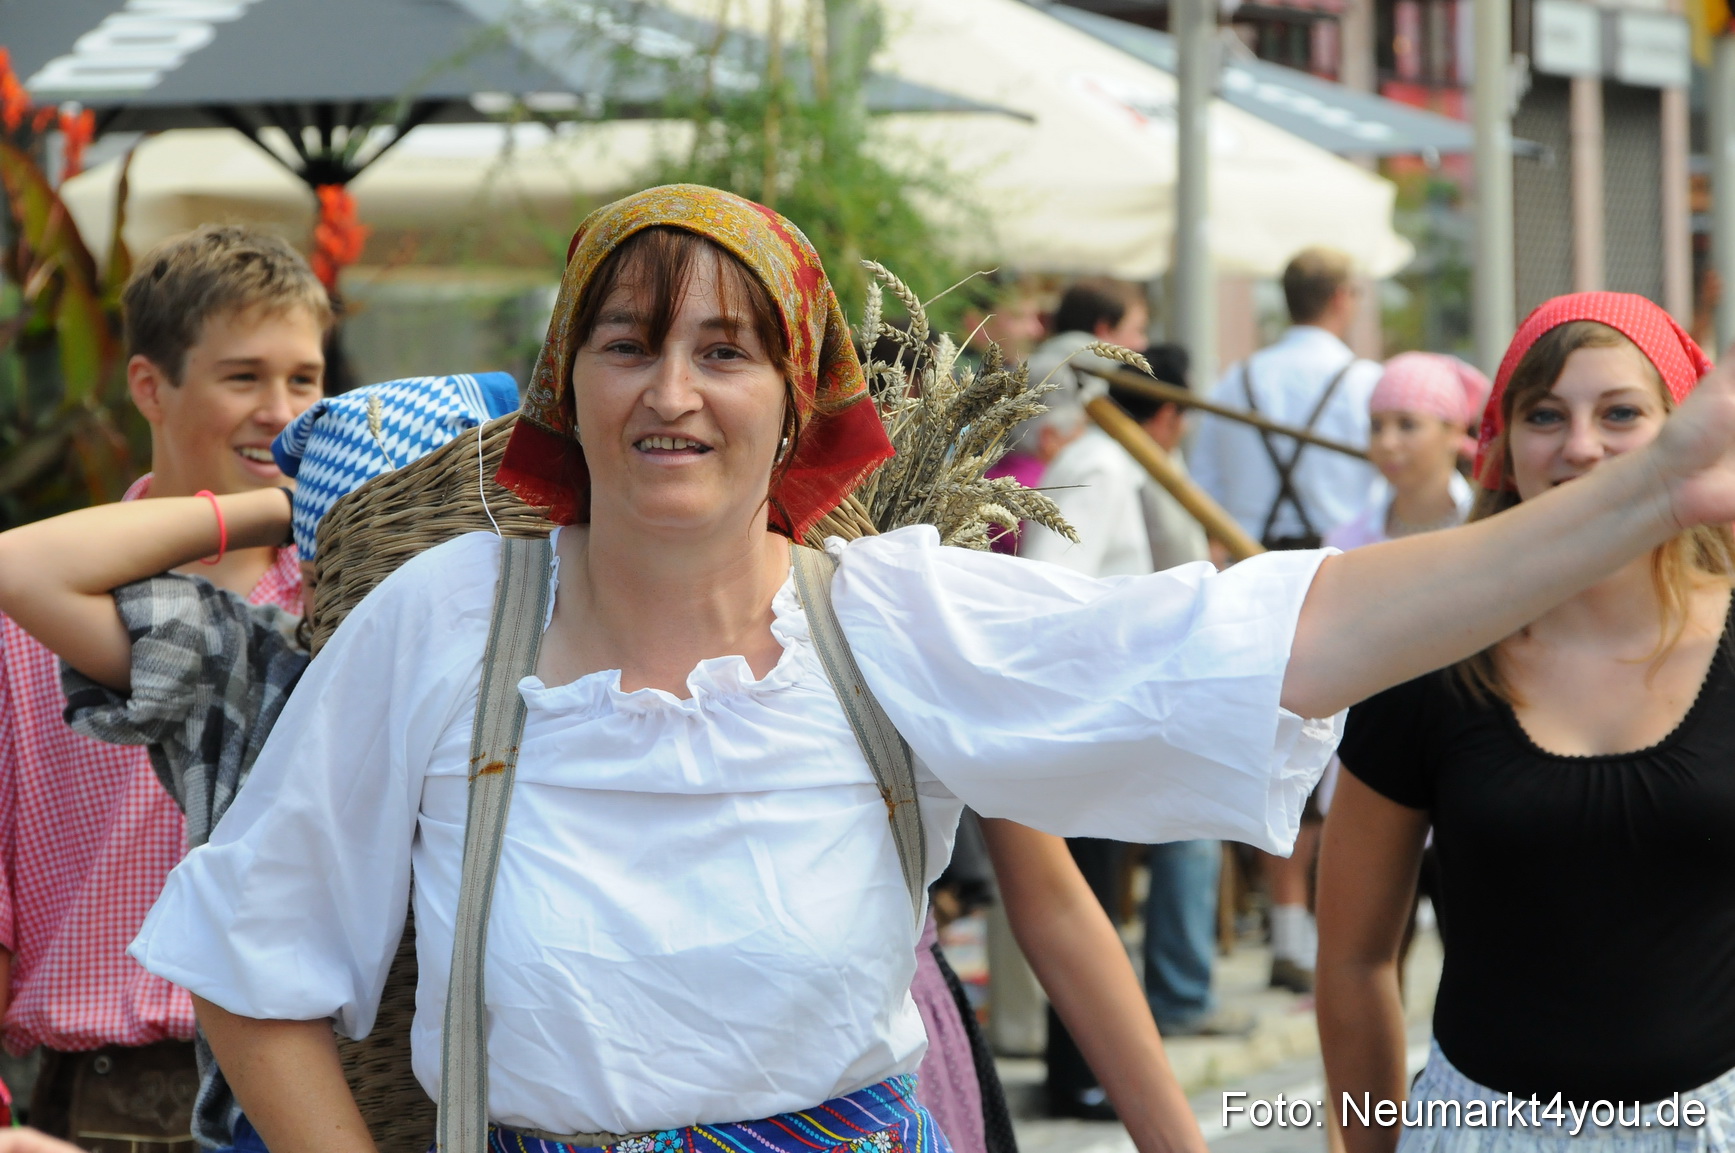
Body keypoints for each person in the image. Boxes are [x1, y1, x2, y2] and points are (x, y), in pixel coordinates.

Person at [109, 186, 1735, 1153]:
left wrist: (1641, 499)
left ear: (799, 398)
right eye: (629, 339)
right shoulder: (449, 619)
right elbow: (256, 973)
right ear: (569, 384)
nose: (673, 388)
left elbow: (1269, 631)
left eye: (726, 346)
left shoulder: (886, 617)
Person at [1317, 292, 1735, 1153]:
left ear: (1680, 429)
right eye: (1544, 414)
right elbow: (1354, 960)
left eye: (1620, 412)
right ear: (1500, 445)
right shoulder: (1424, 655)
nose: (1580, 445)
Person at [0, 225, 326, 1148]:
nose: (281, 411)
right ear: (150, 385)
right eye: (243, 377)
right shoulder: (28, 618)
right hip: (92, 1108)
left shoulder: (355, 603)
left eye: (304, 380)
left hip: (306, 1101)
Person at [1189, 246, 1383, 995]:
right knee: (1349, 759)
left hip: (1256, 580)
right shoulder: (1365, 385)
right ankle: (1343, 927)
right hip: (1344, 581)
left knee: (1275, 749)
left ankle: (1292, 928)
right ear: (1341, 297)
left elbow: (1202, 494)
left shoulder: (1233, 383)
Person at [1325, 353, 1489, 552]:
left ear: (1454, 432)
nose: (1387, 443)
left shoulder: (1489, 530)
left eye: (1407, 425)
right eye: (1376, 426)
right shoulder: (1344, 543)